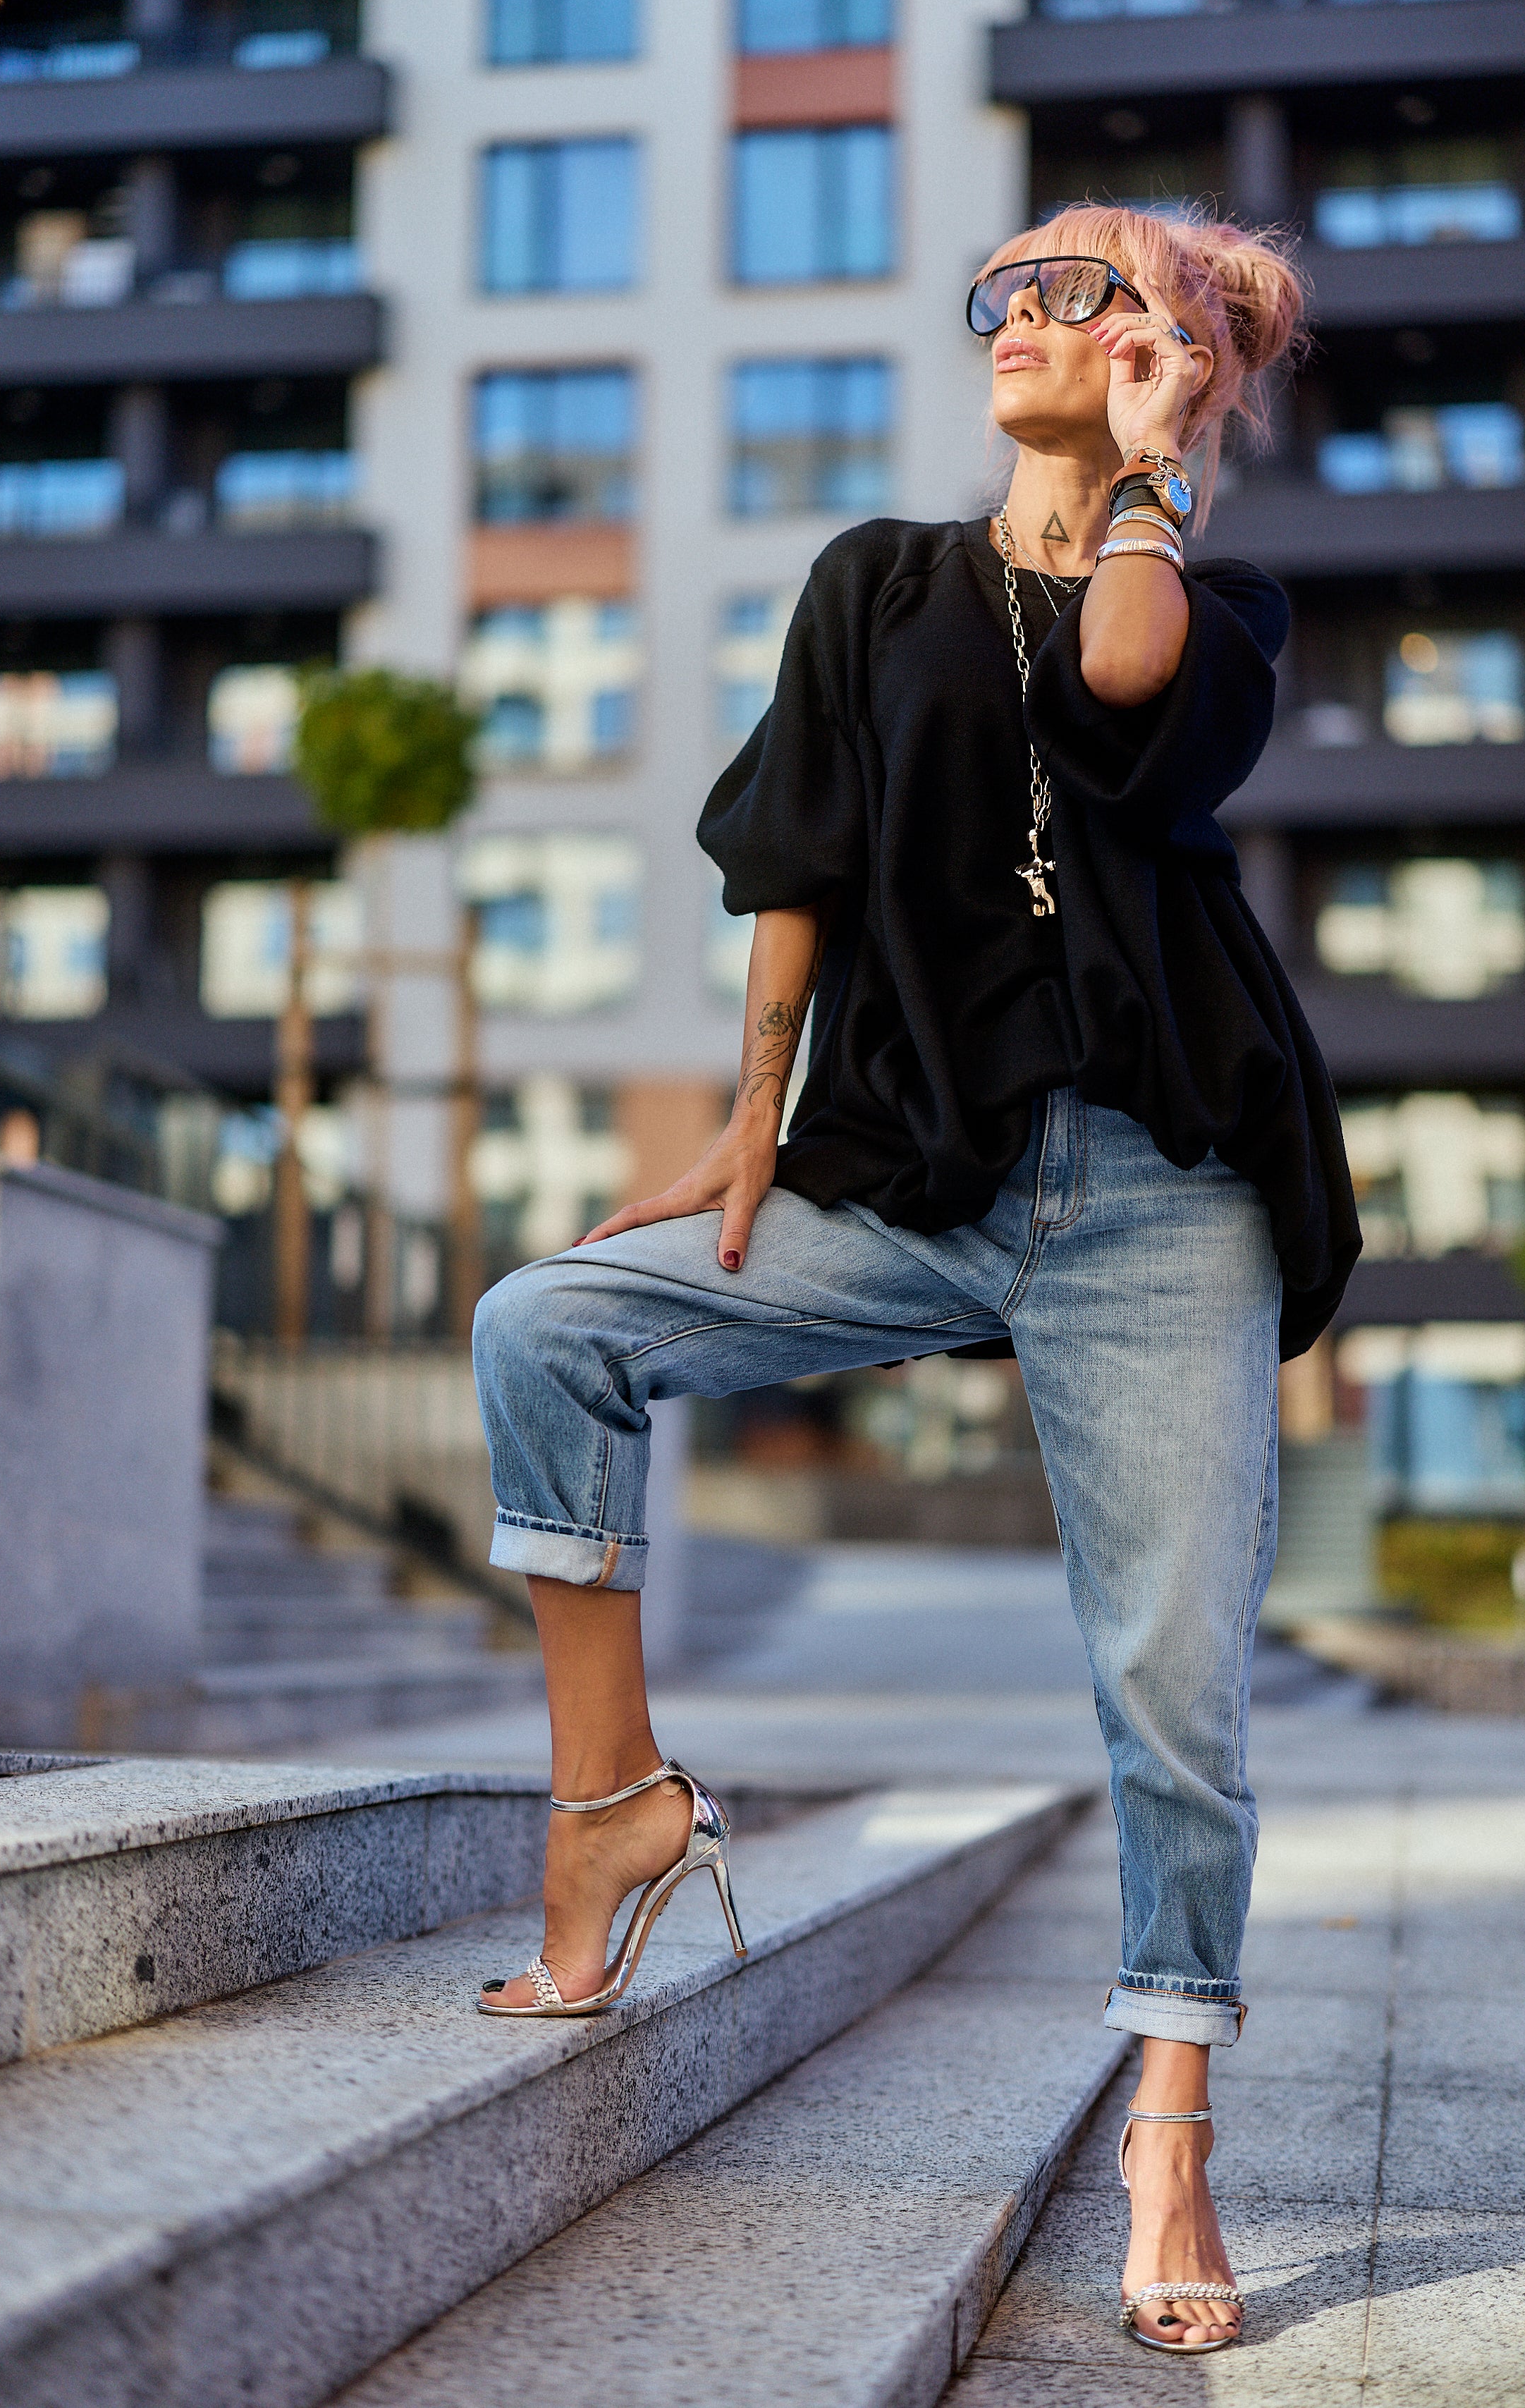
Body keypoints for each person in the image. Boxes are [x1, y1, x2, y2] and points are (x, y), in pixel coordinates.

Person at [470, 200, 1361, 2355]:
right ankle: (614, 1815)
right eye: (1012, 287)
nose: (1027, 317)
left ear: (1179, 361)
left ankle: (1171, 2120)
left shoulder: (1213, 600)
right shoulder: (875, 581)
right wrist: (752, 1109)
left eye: (1091, 294)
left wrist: (1149, 466)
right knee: (548, 1325)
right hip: (914, 1163)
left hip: (1167, 1187)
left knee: (1172, 1684)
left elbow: (1128, 690)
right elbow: (797, 847)